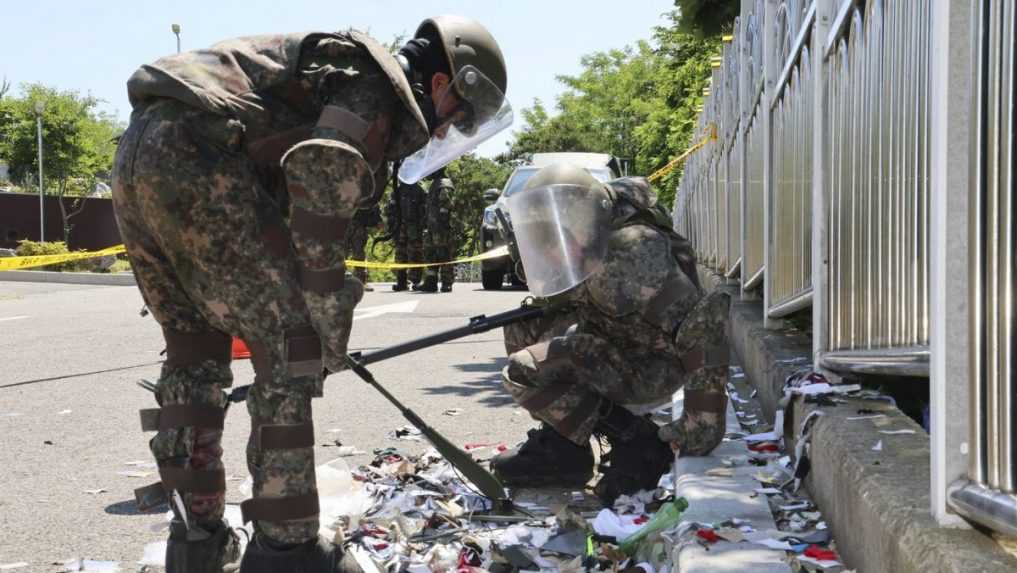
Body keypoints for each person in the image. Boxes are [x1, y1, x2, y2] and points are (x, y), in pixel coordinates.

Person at [112, 16, 508, 572]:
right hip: (202, 155)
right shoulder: (377, 82)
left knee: (192, 353)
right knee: (291, 353)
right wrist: (323, 314)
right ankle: (287, 548)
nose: (445, 134)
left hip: (139, 156)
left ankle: (195, 542)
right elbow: (323, 170)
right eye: (458, 119)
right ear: (441, 84)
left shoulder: (330, 69)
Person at [490, 164, 731, 505]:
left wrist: (699, 426)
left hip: (654, 365)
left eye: (553, 239)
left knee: (525, 369)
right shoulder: (588, 250)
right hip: (621, 340)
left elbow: (703, 325)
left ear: (580, 227)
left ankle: (634, 438)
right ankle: (565, 449)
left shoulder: (630, 257)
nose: (547, 251)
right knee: (522, 329)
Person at [386, 173, 427, 291]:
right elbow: (390, 210)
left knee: (415, 254)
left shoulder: (419, 190)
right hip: (400, 227)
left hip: (414, 227)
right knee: (400, 254)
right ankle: (401, 281)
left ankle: (415, 281)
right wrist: (391, 226)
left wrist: (423, 226)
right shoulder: (397, 191)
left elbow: (425, 210)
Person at [416, 170, 456, 292]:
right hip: (432, 227)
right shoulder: (436, 183)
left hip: (441, 228)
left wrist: (441, 226)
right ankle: (430, 282)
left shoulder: (443, 184)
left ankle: (446, 282)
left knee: (443, 253)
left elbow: (447, 206)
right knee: (430, 254)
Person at [345, 204, 383, 291]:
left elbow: (373, 203)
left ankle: (361, 283)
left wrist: (378, 221)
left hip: (359, 227)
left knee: (359, 255)